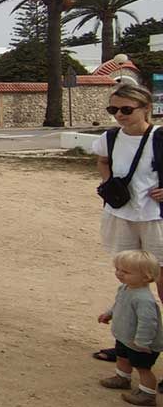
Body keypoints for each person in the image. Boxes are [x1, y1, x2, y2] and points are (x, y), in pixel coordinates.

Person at [93, 84, 163, 364]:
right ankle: (128, 347)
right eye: (113, 110)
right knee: (129, 280)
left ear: (146, 108)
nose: (119, 115)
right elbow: (102, 160)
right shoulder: (110, 138)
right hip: (121, 215)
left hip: (155, 218)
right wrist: (108, 182)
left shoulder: (159, 138)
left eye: (126, 110)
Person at [99, 250, 163, 405]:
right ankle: (122, 378)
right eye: (118, 269)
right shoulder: (125, 288)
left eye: (125, 271)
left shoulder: (144, 299)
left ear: (146, 277)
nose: (119, 274)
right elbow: (119, 304)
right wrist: (109, 313)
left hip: (141, 343)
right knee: (122, 358)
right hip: (126, 337)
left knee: (143, 368)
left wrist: (142, 342)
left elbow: (149, 322)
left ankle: (147, 395)